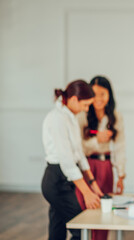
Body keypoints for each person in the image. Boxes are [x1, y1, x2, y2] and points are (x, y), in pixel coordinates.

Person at [41, 80, 103, 240]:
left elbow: (79, 155)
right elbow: (67, 162)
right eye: (85, 105)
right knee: (82, 230)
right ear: (74, 99)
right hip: (55, 179)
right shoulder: (57, 119)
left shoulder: (71, 117)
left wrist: (93, 183)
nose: (86, 109)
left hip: (64, 179)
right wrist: (87, 193)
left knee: (57, 228)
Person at [75, 76, 127, 240]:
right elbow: (78, 148)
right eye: (95, 94)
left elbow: (120, 147)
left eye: (103, 94)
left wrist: (121, 175)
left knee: (104, 211)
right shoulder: (82, 115)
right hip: (86, 168)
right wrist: (96, 140)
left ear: (109, 95)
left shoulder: (115, 116)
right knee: (86, 209)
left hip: (106, 168)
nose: (99, 99)